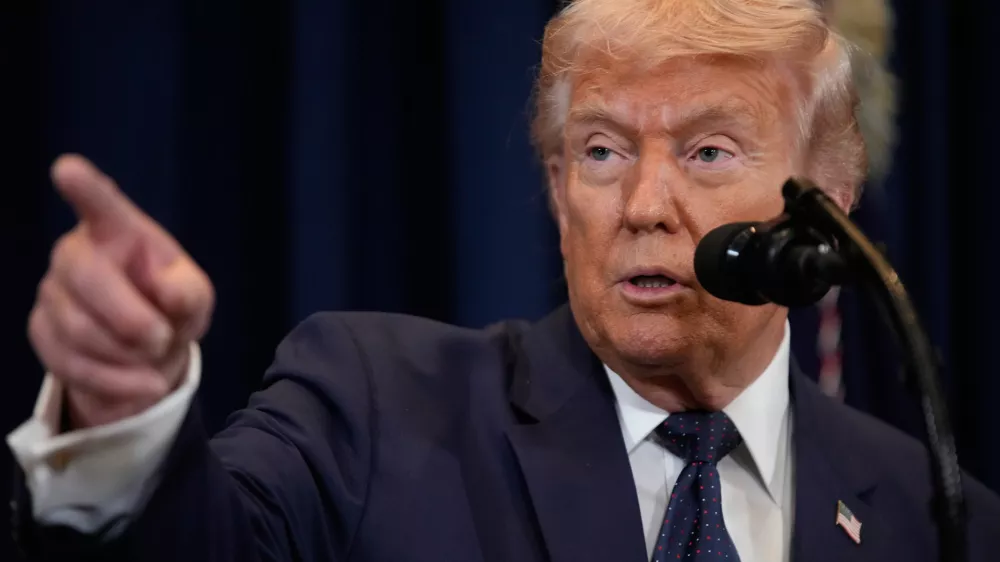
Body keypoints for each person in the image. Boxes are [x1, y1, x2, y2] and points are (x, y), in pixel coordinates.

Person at [7, 0, 1000, 560]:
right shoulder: (372, 407)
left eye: (706, 153)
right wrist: (121, 416)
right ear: (557, 184)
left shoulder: (939, 514)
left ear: (822, 195)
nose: (644, 205)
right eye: (602, 151)